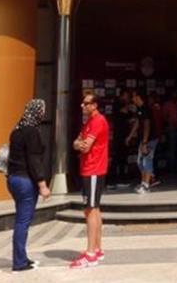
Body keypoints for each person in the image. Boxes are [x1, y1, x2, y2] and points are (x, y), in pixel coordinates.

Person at [5, 99, 51, 273]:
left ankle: (22, 257)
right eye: (42, 110)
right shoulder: (32, 132)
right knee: (23, 221)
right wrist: (42, 184)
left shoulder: (16, 130)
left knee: (21, 219)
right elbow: (34, 160)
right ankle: (19, 262)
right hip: (25, 181)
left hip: (13, 179)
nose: (43, 113)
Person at [69, 92, 109, 269]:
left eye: (86, 103)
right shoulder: (89, 122)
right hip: (89, 169)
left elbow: (84, 146)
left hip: (94, 169)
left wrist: (80, 144)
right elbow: (76, 143)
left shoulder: (98, 121)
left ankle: (91, 253)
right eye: (83, 103)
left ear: (95, 105)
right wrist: (80, 143)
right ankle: (97, 249)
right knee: (94, 209)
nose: (82, 106)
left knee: (91, 210)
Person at [131, 92, 155, 194]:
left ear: (138, 97)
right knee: (140, 162)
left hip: (150, 139)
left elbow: (147, 126)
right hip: (143, 139)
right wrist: (130, 136)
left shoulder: (146, 109)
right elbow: (137, 123)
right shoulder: (139, 109)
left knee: (147, 161)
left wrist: (145, 143)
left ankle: (146, 185)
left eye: (133, 97)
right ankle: (144, 181)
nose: (132, 99)